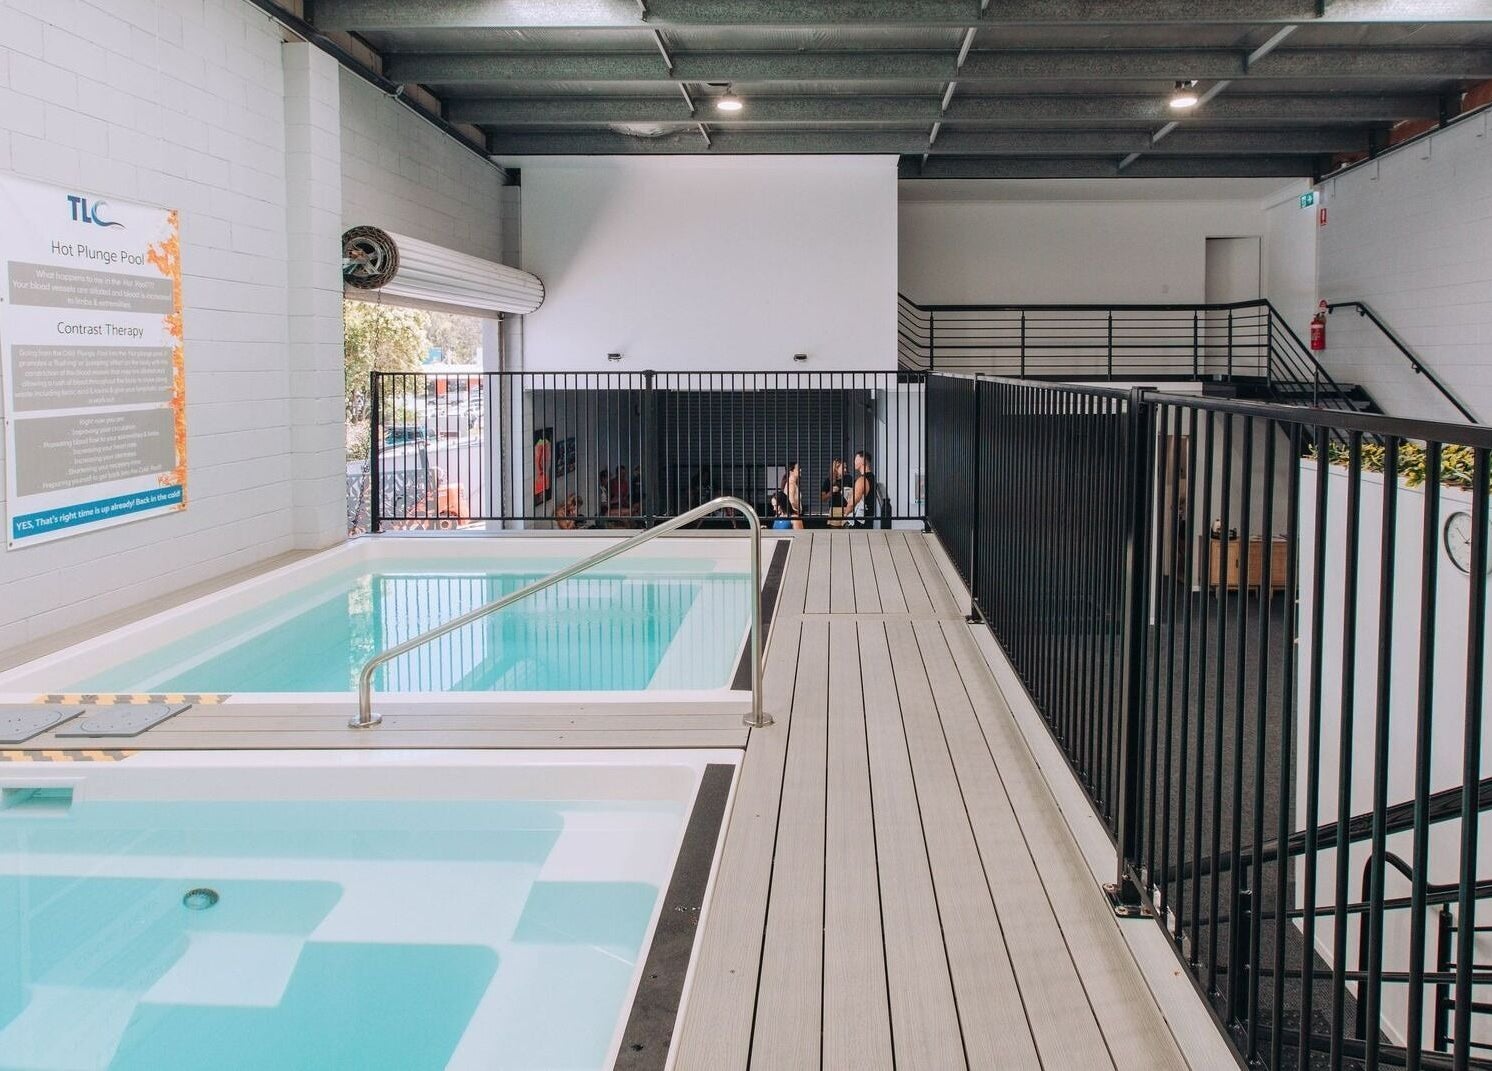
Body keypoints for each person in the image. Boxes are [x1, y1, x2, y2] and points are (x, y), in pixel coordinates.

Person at [845, 450, 877, 529]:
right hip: (869, 519)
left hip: (860, 523)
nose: (854, 461)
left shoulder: (862, 480)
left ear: (862, 461)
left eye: (856, 459)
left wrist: (845, 515)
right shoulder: (872, 477)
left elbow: (853, 503)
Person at [820, 457, 849, 528]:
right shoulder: (828, 481)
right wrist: (831, 492)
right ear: (836, 468)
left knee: (848, 533)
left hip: (848, 509)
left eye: (846, 468)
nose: (845, 470)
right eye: (843, 468)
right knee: (835, 534)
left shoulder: (849, 479)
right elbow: (822, 498)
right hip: (835, 509)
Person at [781, 461, 804, 530]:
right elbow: (791, 501)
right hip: (794, 516)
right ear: (791, 471)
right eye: (798, 468)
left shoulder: (791, 483)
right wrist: (796, 513)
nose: (800, 470)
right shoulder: (791, 484)